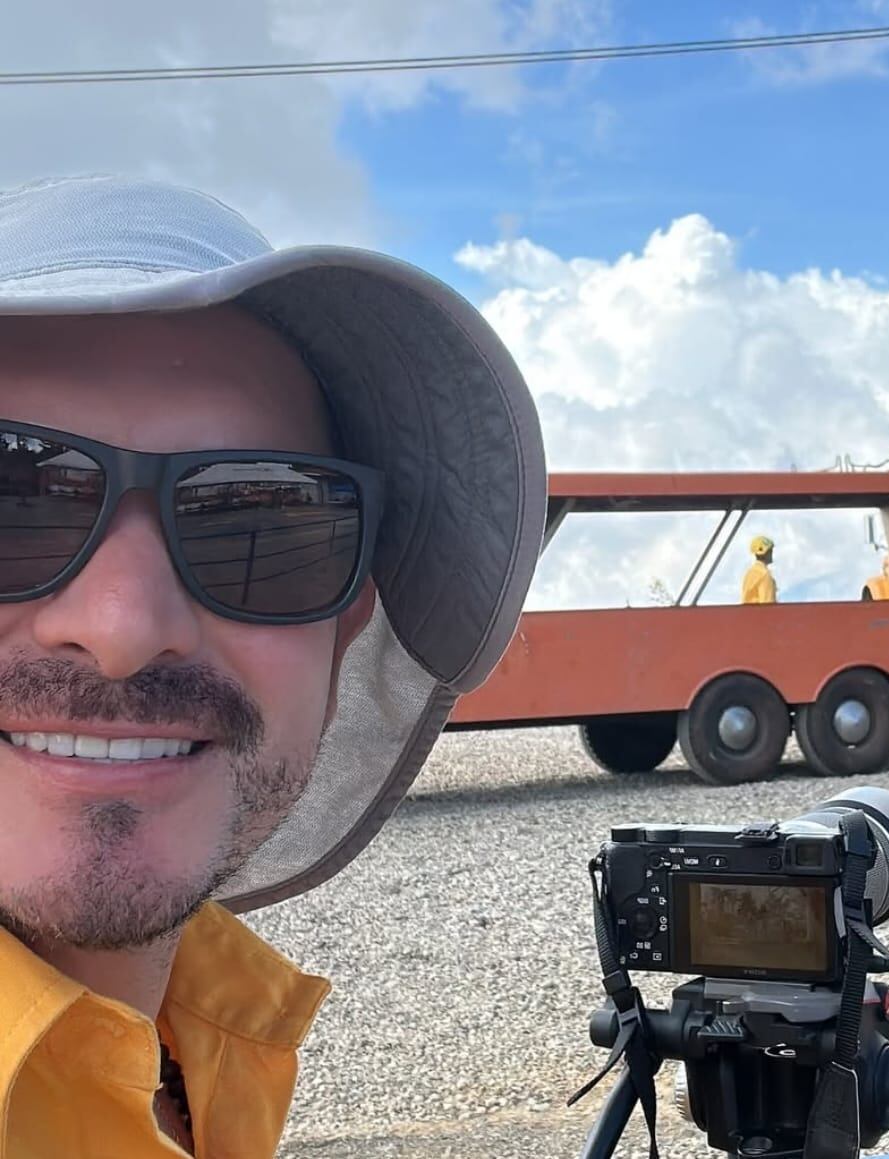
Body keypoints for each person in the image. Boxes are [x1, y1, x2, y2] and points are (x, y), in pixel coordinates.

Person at [0, 175, 546, 1157]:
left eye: (263, 515)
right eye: (13, 499)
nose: (123, 627)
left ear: (344, 631)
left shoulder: (210, 1046)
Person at [741, 535, 778, 604]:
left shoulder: (750, 572)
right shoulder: (764, 574)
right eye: (770, 551)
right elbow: (767, 605)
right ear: (765, 552)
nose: (771, 553)